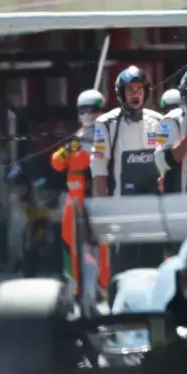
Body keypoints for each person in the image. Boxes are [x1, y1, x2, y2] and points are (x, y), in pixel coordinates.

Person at [91, 66, 165, 272]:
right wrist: (103, 213)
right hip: (121, 213)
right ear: (120, 93)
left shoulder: (158, 121)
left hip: (153, 211)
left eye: (139, 88)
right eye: (130, 89)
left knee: (154, 269)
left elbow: (166, 164)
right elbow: (98, 170)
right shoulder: (105, 123)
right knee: (123, 271)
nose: (135, 93)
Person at [53, 89, 108, 298]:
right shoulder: (75, 139)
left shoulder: (109, 134)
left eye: (93, 110)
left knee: (105, 244)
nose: (89, 114)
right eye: (84, 110)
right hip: (75, 200)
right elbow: (56, 163)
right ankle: (74, 287)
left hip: (99, 198)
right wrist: (70, 149)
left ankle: (105, 285)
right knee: (69, 242)